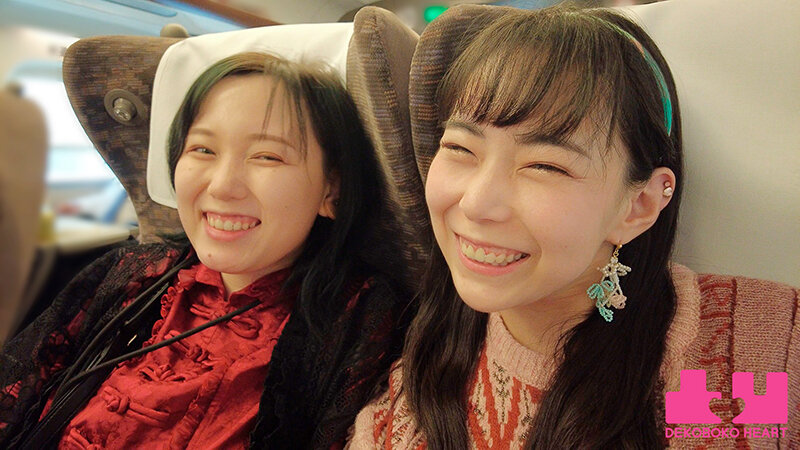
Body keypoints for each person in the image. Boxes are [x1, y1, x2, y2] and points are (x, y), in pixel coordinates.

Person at [349, 5, 800, 449]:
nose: (476, 203)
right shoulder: (407, 402)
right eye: (461, 148)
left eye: (544, 165)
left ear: (639, 206)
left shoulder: (769, 351)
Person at [0, 52, 409, 449]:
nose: (222, 186)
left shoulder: (360, 319)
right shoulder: (133, 273)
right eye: (203, 150)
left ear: (331, 191)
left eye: (267, 156)